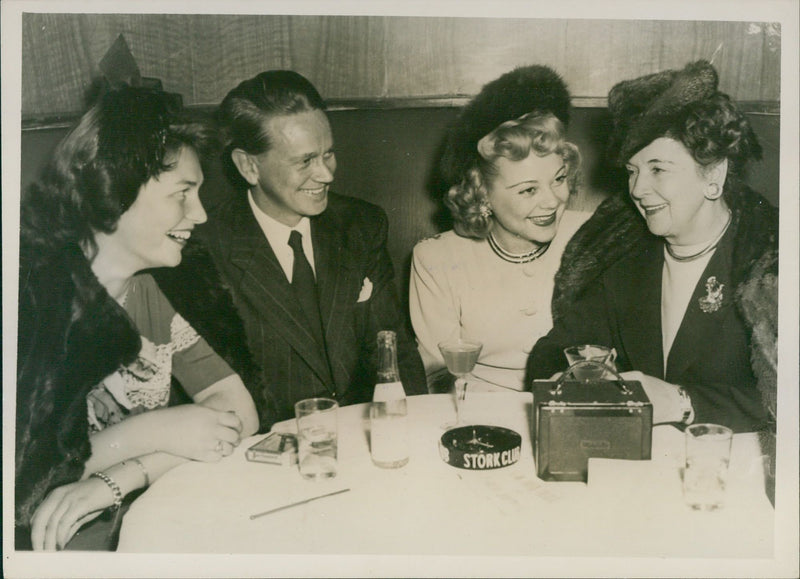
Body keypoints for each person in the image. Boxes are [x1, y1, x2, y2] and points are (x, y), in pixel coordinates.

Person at [15, 86, 260, 551]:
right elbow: (21, 476)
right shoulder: (31, 302)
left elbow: (238, 411)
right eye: (182, 194)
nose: (201, 214)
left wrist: (118, 479)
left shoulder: (150, 290)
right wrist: (156, 429)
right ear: (116, 189)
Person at [527, 60, 778, 435]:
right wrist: (575, 376)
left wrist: (683, 402)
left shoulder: (772, 264)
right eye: (632, 171)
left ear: (713, 175)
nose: (638, 189)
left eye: (658, 169)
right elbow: (553, 351)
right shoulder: (623, 256)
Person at [200, 70, 426, 430]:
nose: (326, 174)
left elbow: (393, 350)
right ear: (248, 166)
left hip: (361, 436)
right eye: (305, 161)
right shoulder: (206, 247)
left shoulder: (362, 225)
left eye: (328, 154)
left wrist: (413, 435)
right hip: (265, 449)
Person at [409, 65, 593, 392]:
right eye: (528, 190)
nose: (553, 201)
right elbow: (438, 376)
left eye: (559, 179)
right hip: (478, 420)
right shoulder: (435, 258)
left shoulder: (595, 235)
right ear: (482, 194)